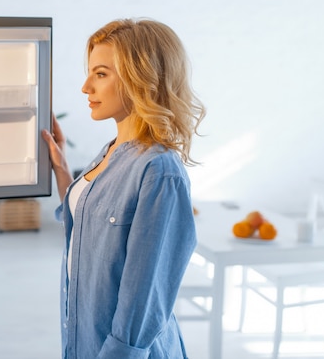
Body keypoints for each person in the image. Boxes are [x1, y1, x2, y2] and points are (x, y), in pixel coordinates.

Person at [41, 18, 205, 359]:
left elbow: (146, 301)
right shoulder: (110, 151)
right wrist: (61, 170)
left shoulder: (160, 171)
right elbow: (87, 224)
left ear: (140, 79)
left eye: (101, 74)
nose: (86, 87)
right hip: (84, 340)